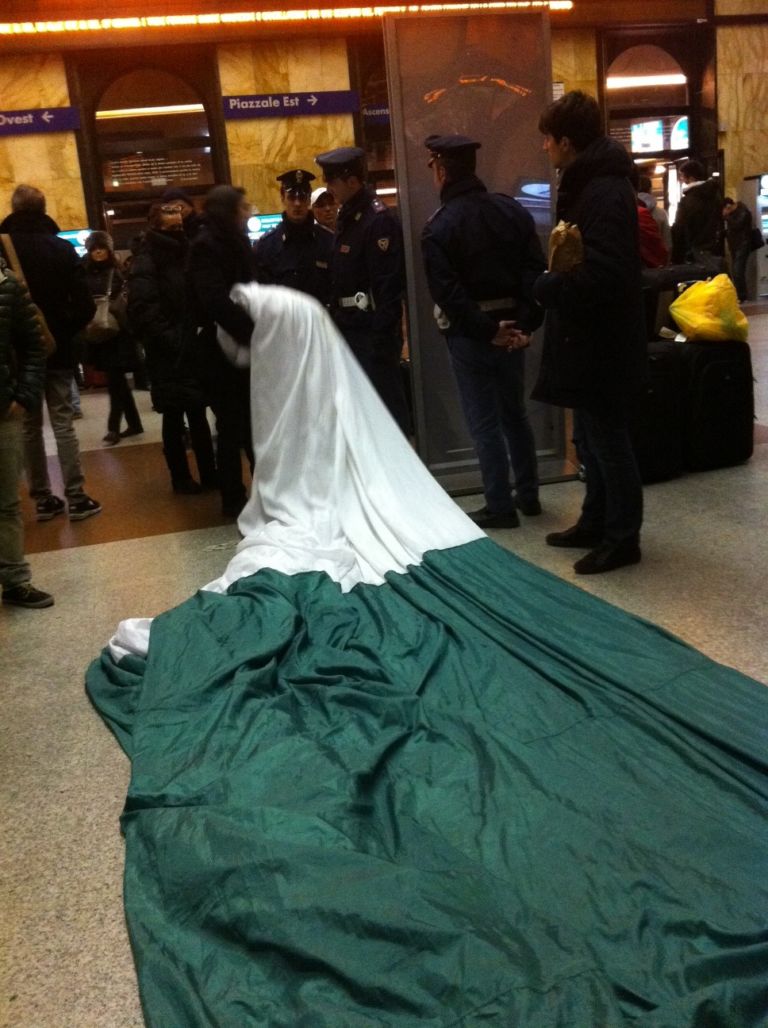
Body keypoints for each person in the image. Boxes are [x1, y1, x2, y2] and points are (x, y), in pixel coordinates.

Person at [534, 90, 645, 575]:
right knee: (593, 440)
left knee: (609, 441)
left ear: (565, 142)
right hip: (588, 339)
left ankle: (622, 538)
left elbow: (608, 270)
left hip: (603, 342)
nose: (545, 150)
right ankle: (595, 520)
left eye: (548, 141)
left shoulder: (603, 190)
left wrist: (552, 286)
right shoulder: (590, 183)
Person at [420, 134, 546, 530]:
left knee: (484, 423)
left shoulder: (438, 227)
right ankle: (529, 496)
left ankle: (499, 505)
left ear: (441, 171)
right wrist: (523, 324)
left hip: (472, 336)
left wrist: (485, 330)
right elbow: (533, 271)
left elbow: (448, 292)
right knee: (515, 416)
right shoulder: (512, 211)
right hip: (513, 330)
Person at [0, 185, 100, 522]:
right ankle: (76, 495)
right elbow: (85, 304)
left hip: (14, 355)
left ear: (13, 209)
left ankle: (42, 497)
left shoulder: (3, 248)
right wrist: (61, 331)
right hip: (56, 351)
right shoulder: (60, 248)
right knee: (62, 422)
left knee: (29, 425)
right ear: (44, 209)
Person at [314, 146, 411, 434]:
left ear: (353, 182)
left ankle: (399, 473)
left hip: (371, 332)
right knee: (363, 417)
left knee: (387, 413)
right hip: (350, 329)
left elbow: (388, 285)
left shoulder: (376, 220)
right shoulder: (350, 217)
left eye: (333, 182)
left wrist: (383, 338)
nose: (329, 189)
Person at [128, 201, 217, 494]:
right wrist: (173, 339)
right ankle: (180, 477)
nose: (179, 231)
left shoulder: (184, 252)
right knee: (174, 414)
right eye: (172, 227)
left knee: (198, 412)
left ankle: (209, 472)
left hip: (190, 345)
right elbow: (144, 308)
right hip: (168, 351)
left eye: (181, 225)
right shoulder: (147, 259)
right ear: (156, 228)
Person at [186, 184, 255, 518]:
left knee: (254, 423)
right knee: (230, 425)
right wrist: (252, 331)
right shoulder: (206, 247)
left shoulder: (236, 242)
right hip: (218, 352)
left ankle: (265, 492)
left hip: (243, 348)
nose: (249, 213)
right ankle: (233, 496)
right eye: (243, 208)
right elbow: (214, 300)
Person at [0, 255, 53, 608]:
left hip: (3, 410)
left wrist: (24, 395)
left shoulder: (7, 286)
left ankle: (15, 579)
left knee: (6, 501)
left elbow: (35, 345)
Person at [82, 231, 144, 447]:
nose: (98, 252)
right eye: (93, 248)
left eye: (102, 247)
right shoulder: (84, 273)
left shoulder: (117, 273)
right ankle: (135, 424)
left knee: (115, 381)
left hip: (117, 331)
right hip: (99, 332)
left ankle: (113, 427)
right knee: (116, 381)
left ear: (109, 250)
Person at [252, 169, 333, 304]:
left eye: (302, 197)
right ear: (283, 198)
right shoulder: (267, 246)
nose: (297, 204)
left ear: (308, 200)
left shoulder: (327, 241)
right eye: (292, 197)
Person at [670, 158, 724, 269]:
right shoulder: (715, 195)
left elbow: (679, 229)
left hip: (694, 253)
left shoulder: (688, 200)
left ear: (691, 178)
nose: (681, 179)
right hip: (715, 250)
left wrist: (675, 258)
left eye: (682, 176)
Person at [722, 196, 754, 302]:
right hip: (735, 245)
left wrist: (727, 217)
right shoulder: (735, 212)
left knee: (737, 270)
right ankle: (740, 295)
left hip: (742, 245)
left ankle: (742, 296)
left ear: (728, 206)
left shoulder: (742, 211)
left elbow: (737, 225)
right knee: (736, 270)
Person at [637, 175, 672, 256]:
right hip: (657, 260)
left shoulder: (629, 210)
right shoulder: (661, 213)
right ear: (650, 189)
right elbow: (668, 243)